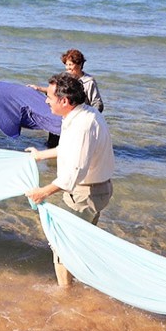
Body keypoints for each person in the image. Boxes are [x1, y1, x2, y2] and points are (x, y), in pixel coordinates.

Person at [25, 72, 114, 287]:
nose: (46, 100)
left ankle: (65, 295)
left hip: (85, 194)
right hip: (93, 190)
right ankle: (82, 283)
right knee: (78, 243)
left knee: (61, 245)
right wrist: (40, 155)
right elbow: (68, 149)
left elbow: (75, 173)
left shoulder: (83, 124)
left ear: (64, 101)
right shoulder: (79, 115)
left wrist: (42, 192)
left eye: (50, 96)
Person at [28, 49, 104, 148]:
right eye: (66, 64)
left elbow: (97, 103)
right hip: (62, 117)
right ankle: (50, 160)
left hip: (78, 119)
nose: (67, 68)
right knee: (52, 144)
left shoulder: (89, 82)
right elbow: (57, 93)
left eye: (70, 64)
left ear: (80, 64)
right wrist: (39, 88)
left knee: (72, 147)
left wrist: (89, 118)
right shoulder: (66, 78)